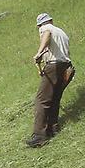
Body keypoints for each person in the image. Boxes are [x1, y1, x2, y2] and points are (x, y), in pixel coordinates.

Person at [26, 13, 73, 147]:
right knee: (54, 97)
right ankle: (53, 128)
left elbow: (46, 35)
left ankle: (39, 136)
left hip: (54, 66)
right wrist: (43, 56)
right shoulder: (61, 32)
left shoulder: (45, 28)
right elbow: (57, 50)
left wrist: (39, 52)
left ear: (39, 25)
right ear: (51, 20)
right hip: (66, 67)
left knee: (41, 100)